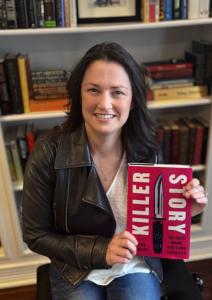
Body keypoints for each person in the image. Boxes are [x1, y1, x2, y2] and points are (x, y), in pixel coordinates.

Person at [22, 42, 208, 300]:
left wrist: (182, 215)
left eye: (118, 92)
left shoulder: (148, 150)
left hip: (134, 263)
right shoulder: (48, 153)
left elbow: (154, 226)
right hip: (75, 268)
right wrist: (102, 251)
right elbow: (35, 234)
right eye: (93, 90)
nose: (104, 103)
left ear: (132, 101)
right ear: (79, 94)